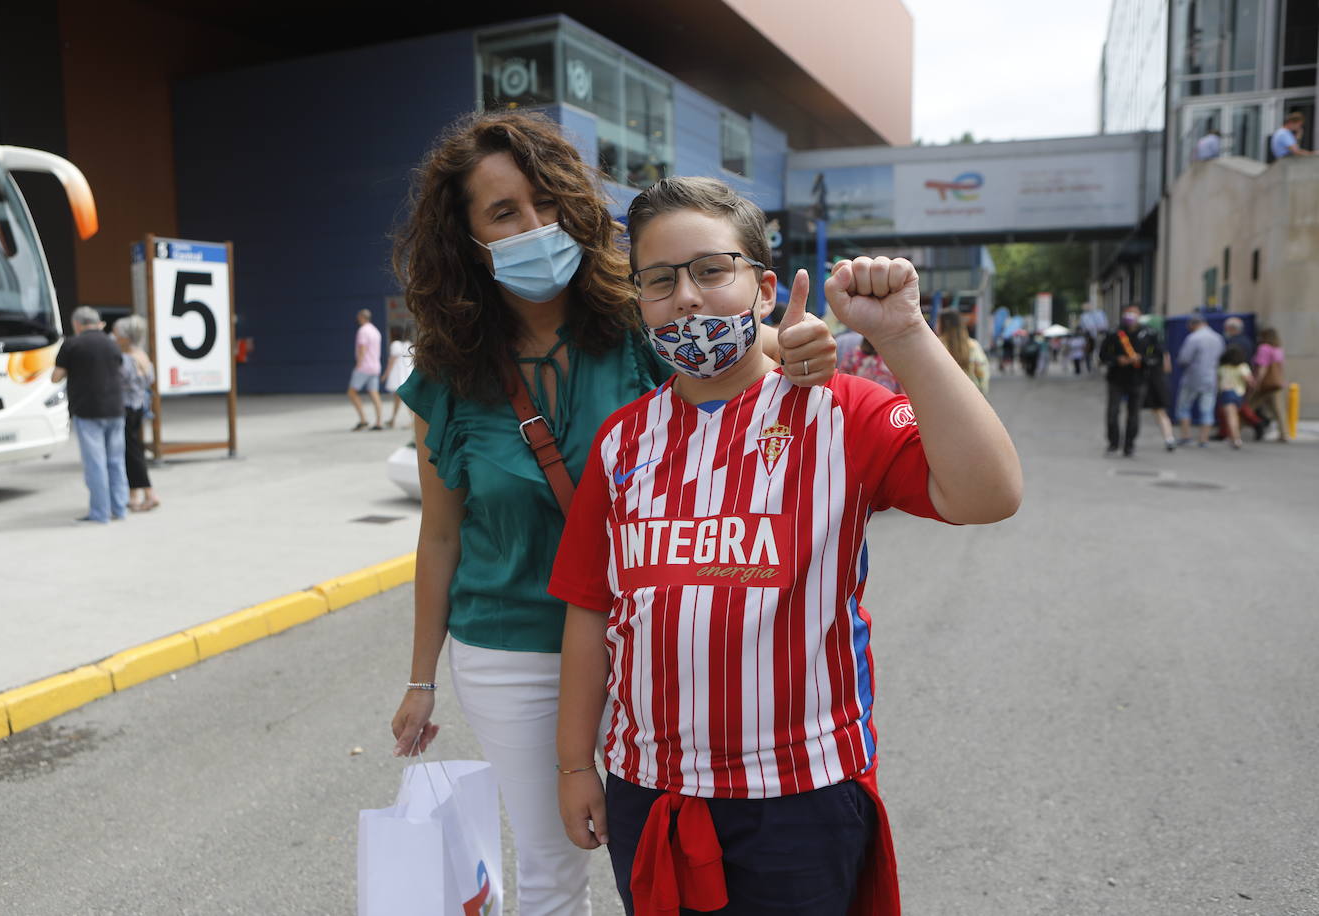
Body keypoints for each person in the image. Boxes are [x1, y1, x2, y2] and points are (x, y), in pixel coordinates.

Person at [386, 112, 837, 916]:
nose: (536, 226)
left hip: (649, 639)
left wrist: (802, 346)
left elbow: (764, 358)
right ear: (467, 241)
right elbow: (441, 532)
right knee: (555, 868)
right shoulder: (448, 374)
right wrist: (421, 679)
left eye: (548, 202)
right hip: (513, 650)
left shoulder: (647, 322)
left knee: (660, 850)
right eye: (505, 213)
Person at [550, 177, 1022, 916]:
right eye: (661, 280)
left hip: (798, 800)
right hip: (650, 791)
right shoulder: (622, 443)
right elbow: (590, 613)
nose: (689, 299)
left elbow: (990, 492)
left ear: (764, 287)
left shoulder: (837, 412)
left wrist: (901, 334)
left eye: (712, 270)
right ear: (638, 297)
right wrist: (577, 762)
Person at [51, 306, 128, 523]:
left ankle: (100, 512)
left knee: (96, 463)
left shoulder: (72, 344)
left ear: (77, 324)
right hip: (115, 409)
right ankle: (120, 508)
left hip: (88, 410)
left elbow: (56, 377)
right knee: (116, 461)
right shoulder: (112, 344)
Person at [112, 315, 159, 511]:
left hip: (126, 408)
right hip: (139, 406)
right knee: (133, 450)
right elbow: (149, 379)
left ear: (125, 337)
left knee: (132, 453)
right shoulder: (142, 355)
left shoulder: (126, 359)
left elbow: (118, 380)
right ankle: (134, 495)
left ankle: (149, 493)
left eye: (117, 334)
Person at [1098, 304, 1150, 456]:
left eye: (1134, 313)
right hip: (1116, 379)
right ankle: (1113, 443)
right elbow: (1103, 355)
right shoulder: (1114, 333)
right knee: (1113, 412)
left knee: (1134, 414)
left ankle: (1129, 445)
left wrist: (1142, 359)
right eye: (1128, 313)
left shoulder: (1148, 333)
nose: (1131, 316)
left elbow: (1156, 355)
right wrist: (1116, 359)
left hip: (1138, 379)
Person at [1175, 313, 1226, 448]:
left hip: (1193, 377)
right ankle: (1204, 439)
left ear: (1193, 324)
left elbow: (1184, 358)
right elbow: (1221, 357)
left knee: (1184, 407)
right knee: (1207, 409)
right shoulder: (1218, 338)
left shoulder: (1193, 338)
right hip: (1211, 378)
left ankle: (1186, 436)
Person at [1135, 314, 1177, 450]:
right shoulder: (1161, 347)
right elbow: (1167, 367)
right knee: (1160, 412)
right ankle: (1169, 438)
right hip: (1156, 380)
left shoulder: (1141, 344)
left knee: (1134, 410)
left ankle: (1130, 440)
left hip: (1145, 380)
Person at [1249, 327, 1290, 442]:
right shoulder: (1278, 349)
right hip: (1276, 383)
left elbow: (1263, 367)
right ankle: (1284, 433)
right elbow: (1280, 367)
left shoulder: (1264, 348)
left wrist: (1257, 381)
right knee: (1278, 409)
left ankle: (1236, 429)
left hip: (1265, 384)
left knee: (1249, 406)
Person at [937, 308, 989, 396]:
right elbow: (983, 375)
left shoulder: (936, 346)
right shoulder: (973, 346)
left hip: (944, 398)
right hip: (971, 398)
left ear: (942, 324)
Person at [347, 309, 384, 430]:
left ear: (362, 317)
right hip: (375, 366)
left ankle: (363, 420)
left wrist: (358, 364)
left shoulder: (363, 331)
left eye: (358, 317)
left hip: (364, 366)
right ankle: (379, 422)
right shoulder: (375, 331)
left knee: (352, 392)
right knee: (374, 393)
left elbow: (362, 348)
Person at [1216, 345, 1252, 449]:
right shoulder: (1242, 367)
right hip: (1239, 393)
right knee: (1235, 416)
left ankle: (1235, 438)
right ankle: (1233, 437)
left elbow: (1218, 381)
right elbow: (1249, 380)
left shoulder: (1223, 367)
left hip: (1227, 393)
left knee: (1230, 417)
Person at [382, 322, 415, 428]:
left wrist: (385, 375)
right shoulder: (409, 344)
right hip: (408, 372)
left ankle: (413, 421)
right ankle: (393, 419)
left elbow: (391, 361)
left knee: (405, 398)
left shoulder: (395, 344)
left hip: (399, 374)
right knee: (398, 398)